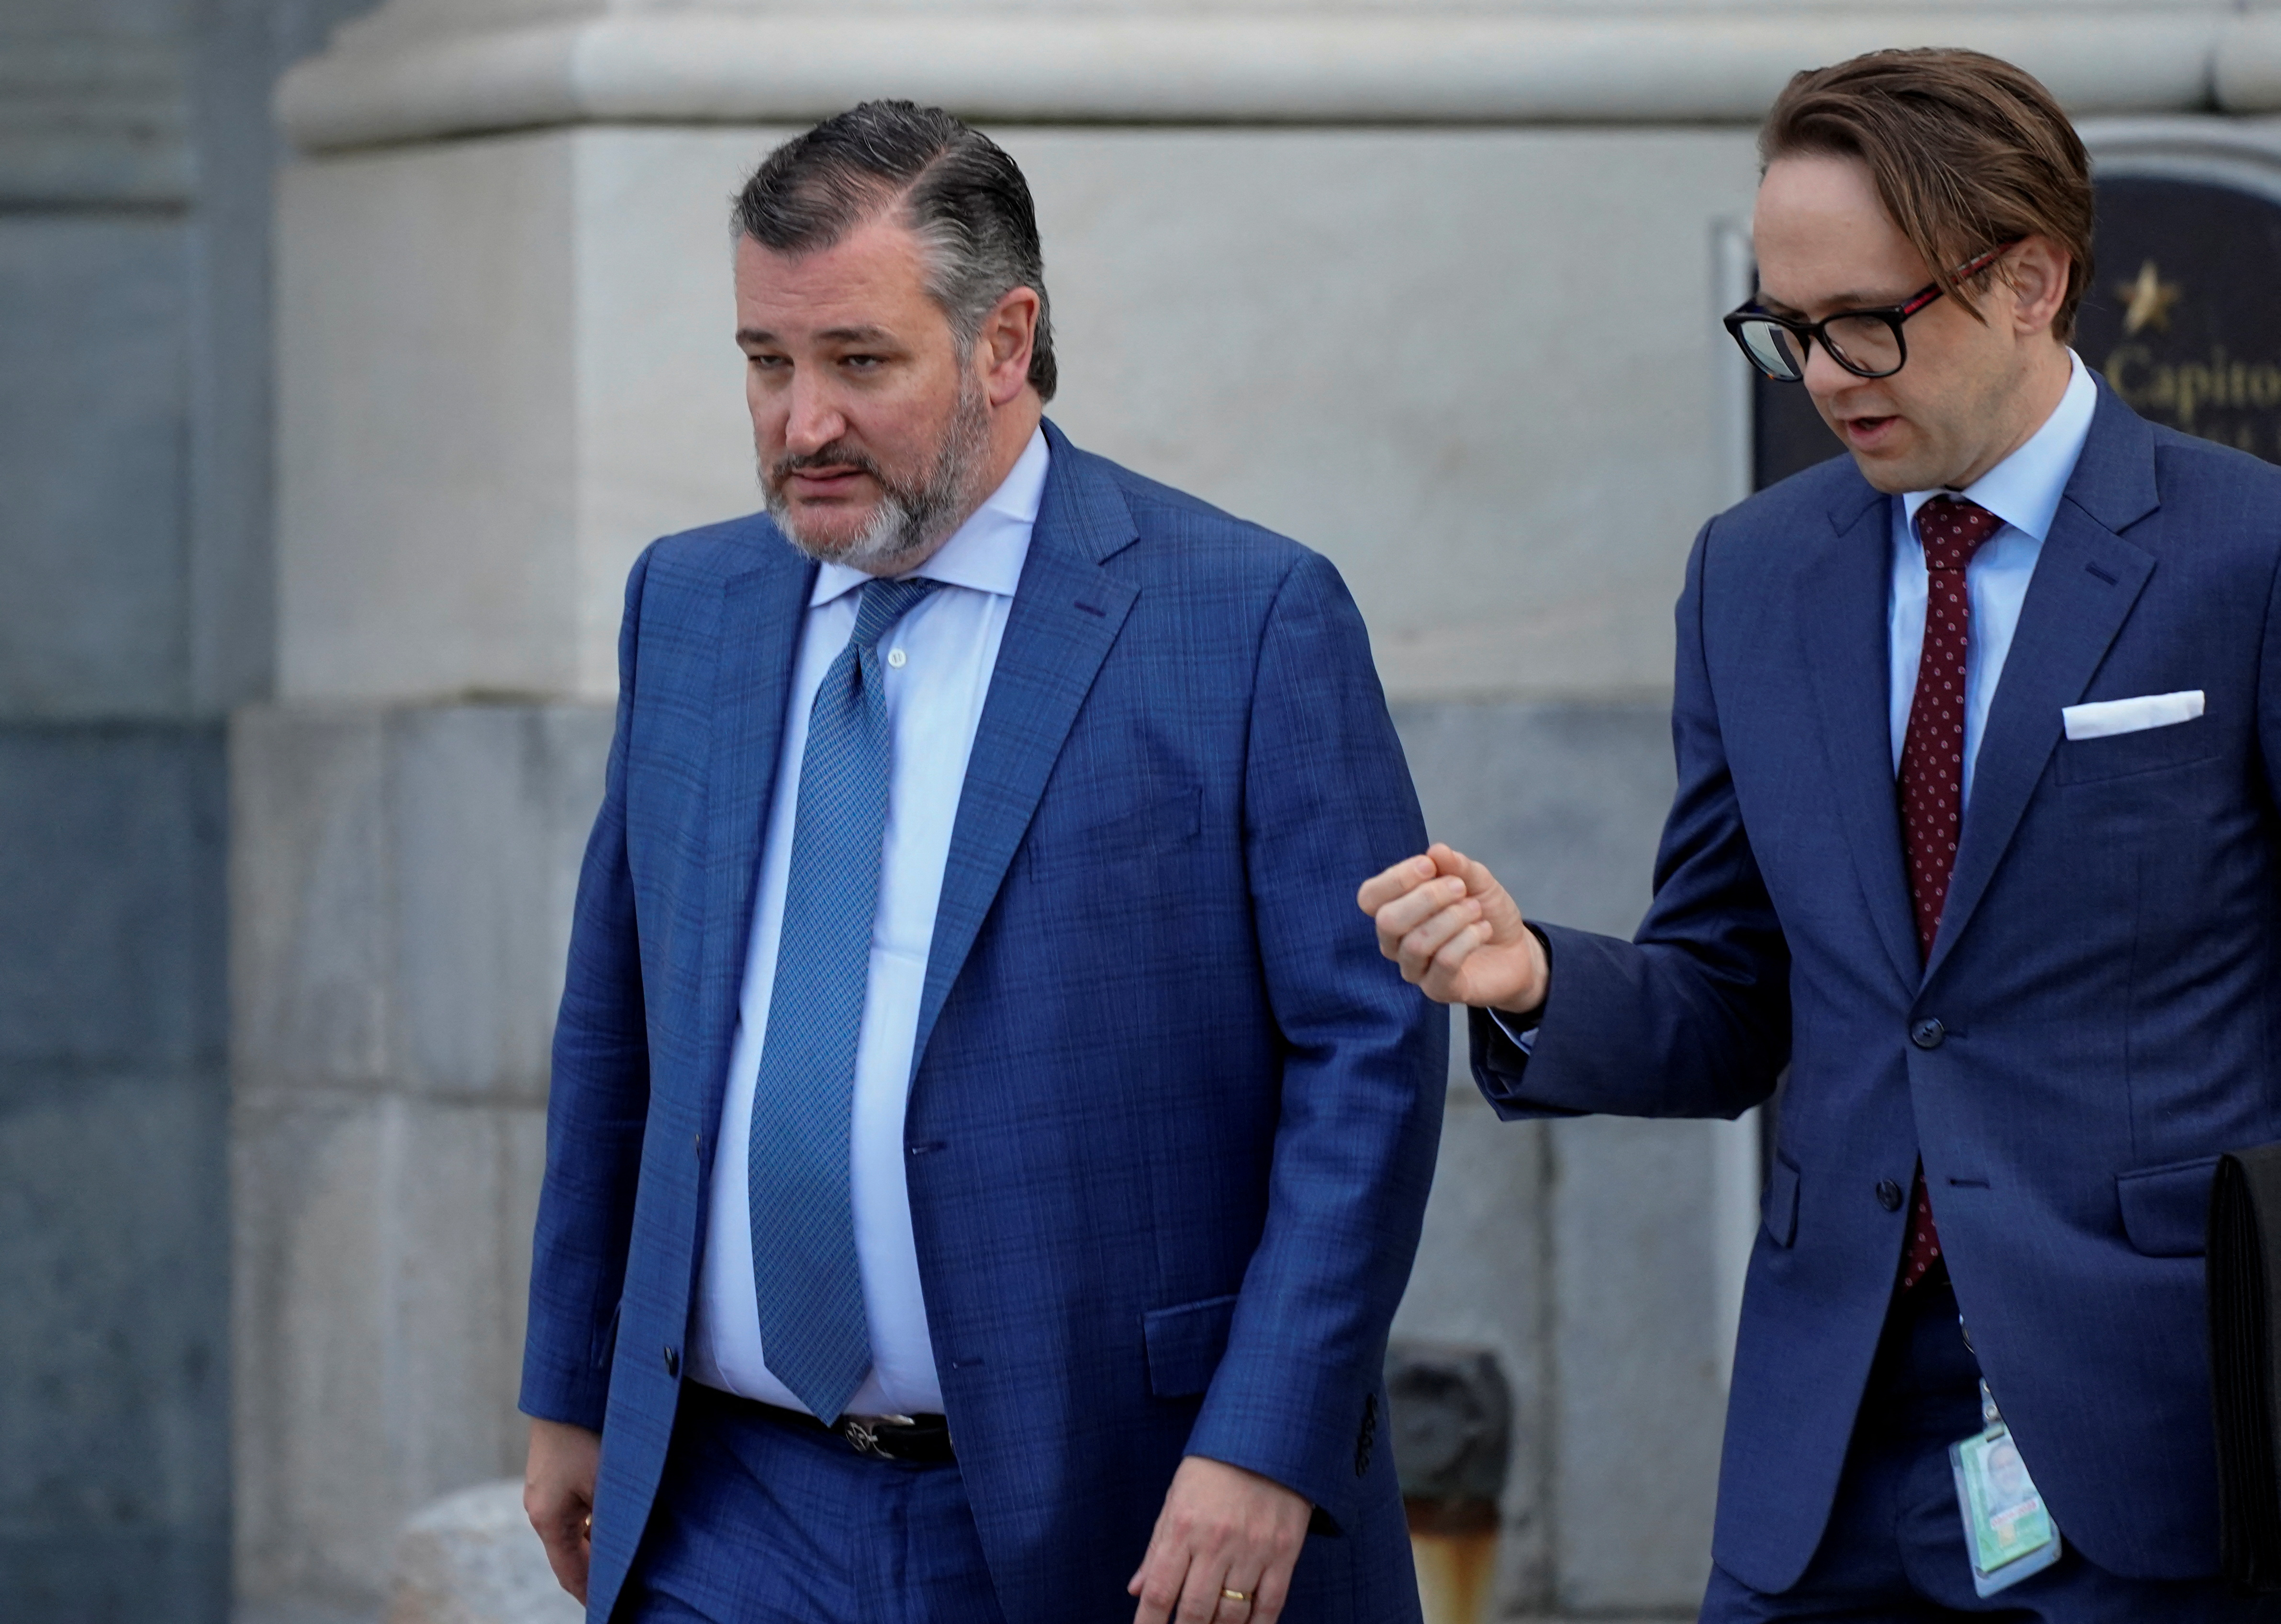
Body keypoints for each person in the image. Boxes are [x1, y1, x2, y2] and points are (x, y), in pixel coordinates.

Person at [1362, 46, 2281, 1621]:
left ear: (2032, 281)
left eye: (1865, 319)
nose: (1825, 371)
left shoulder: (2247, 555)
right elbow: (1733, 1000)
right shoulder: (1752, 573)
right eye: (1785, 330)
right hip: (1826, 1444)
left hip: (2154, 1433)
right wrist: (1534, 982)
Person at [519, 101, 1444, 1624]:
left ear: (1004, 340)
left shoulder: (1248, 616)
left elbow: (1370, 1057)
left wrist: (1267, 1439)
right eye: (766, 362)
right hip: (730, 1503)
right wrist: (570, 1380)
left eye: (858, 362)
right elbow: (617, 1017)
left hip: (1109, 1506)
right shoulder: (687, 604)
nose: (800, 421)